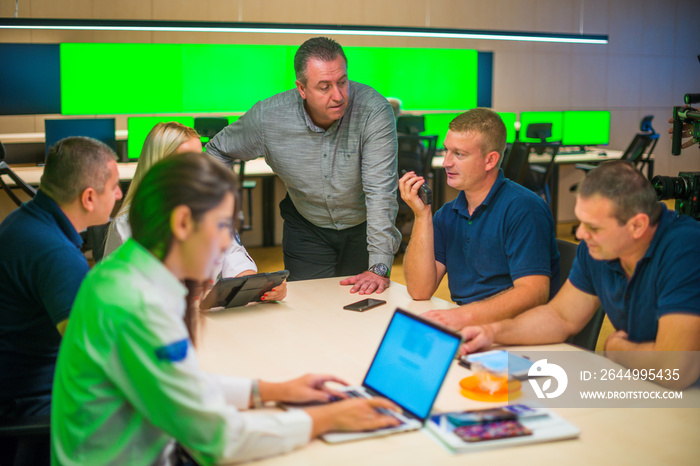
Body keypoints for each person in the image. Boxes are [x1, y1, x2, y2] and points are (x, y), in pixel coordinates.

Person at [51, 153, 400, 465]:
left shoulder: (131, 269)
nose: (224, 242)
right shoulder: (139, 305)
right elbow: (217, 438)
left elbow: (180, 384)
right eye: (221, 227)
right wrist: (328, 419)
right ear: (183, 222)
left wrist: (271, 390)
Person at [459, 160, 700, 389]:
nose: (581, 234)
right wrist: (492, 333)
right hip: (645, 385)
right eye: (581, 222)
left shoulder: (685, 248)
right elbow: (561, 316)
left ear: (637, 225)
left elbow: (675, 368)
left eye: (593, 227)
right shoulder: (600, 248)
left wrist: (616, 349)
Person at [206, 37, 401, 295]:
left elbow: (380, 192)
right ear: (302, 89)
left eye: (343, 82)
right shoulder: (269, 118)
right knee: (309, 306)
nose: (339, 95)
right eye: (324, 87)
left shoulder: (373, 111)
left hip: (363, 228)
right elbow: (217, 150)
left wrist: (379, 267)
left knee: (360, 307)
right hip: (307, 228)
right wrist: (220, 209)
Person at [399, 108, 560, 330]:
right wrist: (422, 215)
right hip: (471, 325)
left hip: (516, 332)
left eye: (459, 154)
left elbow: (534, 292)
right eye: (446, 150)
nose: (446, 162)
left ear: (490, 160)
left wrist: (463, 317)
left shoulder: (524, 209)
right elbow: (419, 290)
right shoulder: (447, 215)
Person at [0, 136, 122, 419]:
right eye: (114, 188)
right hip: (34, 405)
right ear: (89, 198)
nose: (118, 195)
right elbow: (93, 352)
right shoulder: (56, 254)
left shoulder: (23, 221)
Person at [104, 122, 284, 300]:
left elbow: (234, 257)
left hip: (208, 314)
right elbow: (118, 293)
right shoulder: (128, 224)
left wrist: (257, 287)